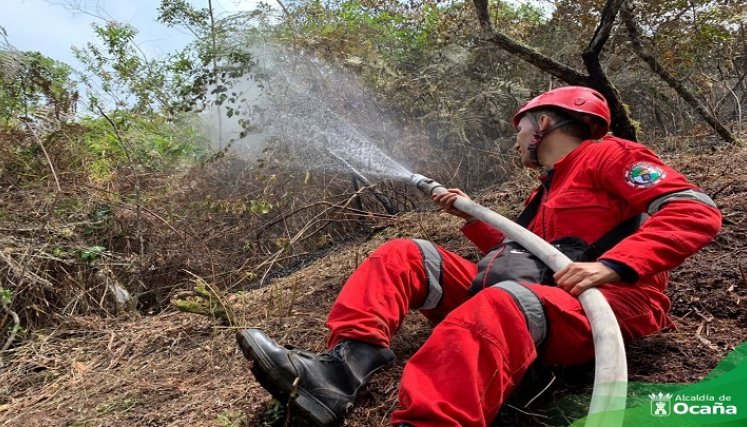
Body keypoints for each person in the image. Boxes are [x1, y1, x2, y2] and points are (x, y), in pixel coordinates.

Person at [237, 86, 722, 427]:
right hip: (535, 299)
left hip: (608, 307)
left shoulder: (610, 156)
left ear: (544, 123)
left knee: (503, 302)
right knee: (404, 254)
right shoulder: (544, 192)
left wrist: (612, 267)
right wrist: (471, 219)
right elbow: (528, 256)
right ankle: (342, 370)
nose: (515, 142)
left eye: (520, 129)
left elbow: (694, 212)